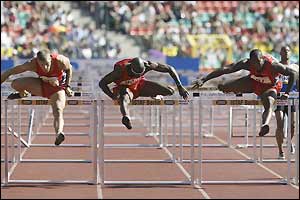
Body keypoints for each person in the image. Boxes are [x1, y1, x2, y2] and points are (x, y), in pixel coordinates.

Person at [192, 49, 299, 137]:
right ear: (250, 61)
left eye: (257, 62)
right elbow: (225, 69)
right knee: (224, 86)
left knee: (269, 102)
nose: (255, 65)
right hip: (253, 81)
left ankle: (264, 125)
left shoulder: (273, 65)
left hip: (270, 86)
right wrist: (204, 79)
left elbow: (293, 73)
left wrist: (287, 93)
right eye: (253, 63)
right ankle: (228, 88)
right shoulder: (246, 63)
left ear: (262, 59)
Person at [1, 49, 74, 146]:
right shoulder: (32, 64)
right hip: (41, 85)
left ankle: (58, 133)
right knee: (15, 84)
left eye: (47, 64)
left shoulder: (60, 60)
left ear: (51, 59)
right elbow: (10, 72)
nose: (45, 67)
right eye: (42, 65)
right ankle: (23, 94)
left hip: (57, 88)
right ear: (37, 61)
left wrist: (67, 86)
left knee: (58, 110)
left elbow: (69, 68)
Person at [99, 57, 189, 129]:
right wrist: (113, 97)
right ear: (130, 68)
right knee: (124, 97)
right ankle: (126, 117)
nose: (137, 76)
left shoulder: (147, 65)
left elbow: (170, 68)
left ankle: (154, 94)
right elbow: (102, 83)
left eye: (139, 74)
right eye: (135, 75)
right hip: (125, 89)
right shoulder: (119, 70)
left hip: (140, 85)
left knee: (170, 91)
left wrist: (180, 86)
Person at [274, 46, 299, 159]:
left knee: (293, 125)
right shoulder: (276, 67)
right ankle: (280, 151)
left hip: (292, 98)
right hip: (280, 98)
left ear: (291, 52)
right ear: (280, 52)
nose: (286, 52)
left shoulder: (295, 67)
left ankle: (289, 142)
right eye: (284, 50)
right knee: (280, 123)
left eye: (288, 50)